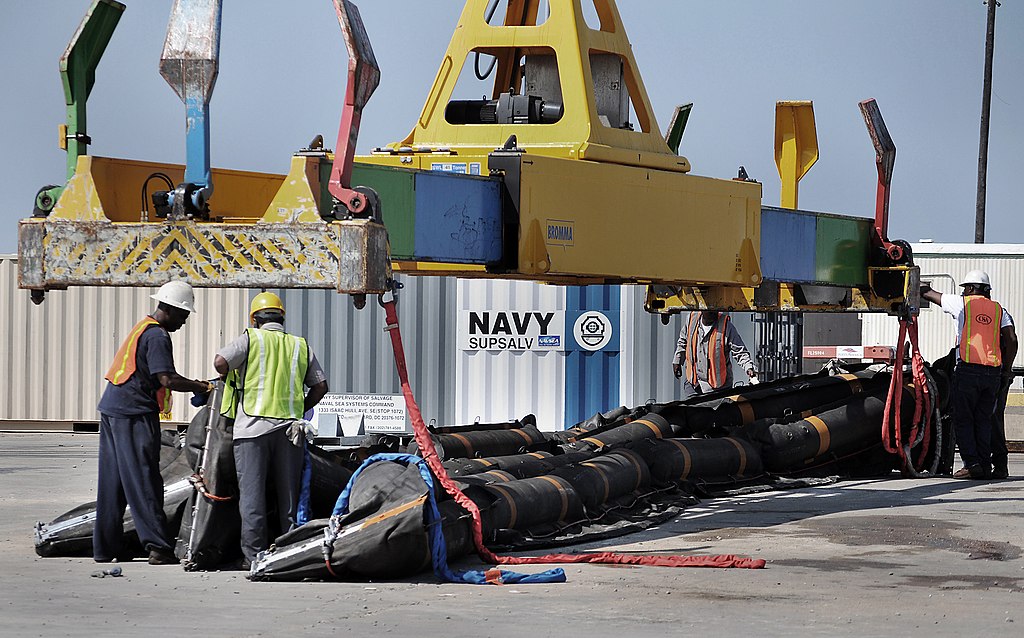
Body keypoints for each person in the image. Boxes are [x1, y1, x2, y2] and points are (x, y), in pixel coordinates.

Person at [95, 280, 213, 565]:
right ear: (169, 309)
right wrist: (202, 386)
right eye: (183, 315)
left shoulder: (143, 327)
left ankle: (106, 548)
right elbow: (167, 379)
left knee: (113, 483)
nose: (184, 321)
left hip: (113, 409)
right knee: (144, 479)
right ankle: (158, 547)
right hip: (133, 413)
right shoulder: (158, 335)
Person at [214, 292, 329, 569]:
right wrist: (299, 408)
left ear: (255, 319)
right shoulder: (299, 345)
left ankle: (254, 557)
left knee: (252, 497)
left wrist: (232, 374)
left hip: (252, 429)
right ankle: (290, 554)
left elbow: (220, 362)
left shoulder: (250, 339)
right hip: (290, 431)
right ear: (281, 318)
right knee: (289, 498)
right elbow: (321, 386)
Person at [921, 270, 1018, 479]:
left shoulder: (962, 304)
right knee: (983, 420)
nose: (964, 292)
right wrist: (1006, 371)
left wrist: (908, 280)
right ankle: (985, 465)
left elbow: (928, 293)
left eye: (965, 289)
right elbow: (1011, 339)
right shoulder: (1000, 310)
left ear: (971, 288)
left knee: (963, 419)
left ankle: (972, 464)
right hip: (992, 374)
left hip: (968, 371)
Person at [672, 310, 757, 397]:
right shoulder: (691, 320)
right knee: (692, 406)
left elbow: (740, 351)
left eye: (715, 309)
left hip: (719, 389)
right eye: (709, 310)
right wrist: (677, 360)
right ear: (702, 310)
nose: (713, 312)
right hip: (694, 384)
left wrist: (749, 368)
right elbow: (683, 341)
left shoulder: (726, 326)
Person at [990, 310, 1016, 479]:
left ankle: (999, 463)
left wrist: (1006, 371)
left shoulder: (999, 314)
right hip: (991, 372)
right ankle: (991, 463)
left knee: (992, 418)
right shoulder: (999, 313)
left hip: (995, 373)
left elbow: (1011, 341)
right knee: (991, 418)